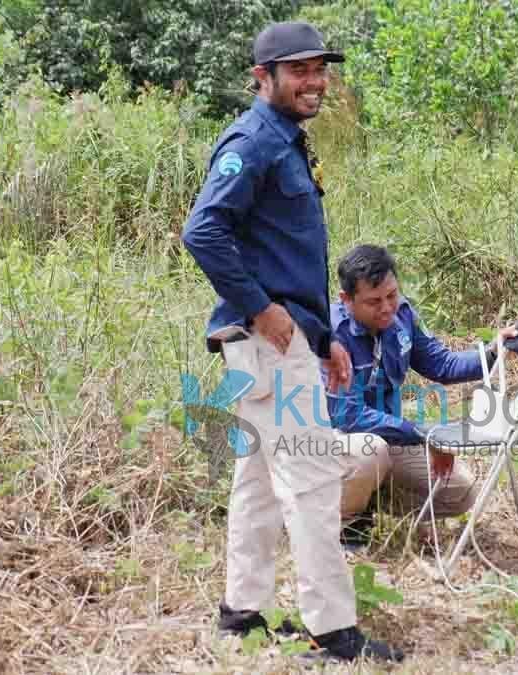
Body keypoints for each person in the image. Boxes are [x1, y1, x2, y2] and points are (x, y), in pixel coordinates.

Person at [181, 22, 402, 663]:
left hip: (284, 343)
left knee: (255, 481)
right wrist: (264, 310)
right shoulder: (252, 142)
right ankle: (334, 634)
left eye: (319, 69)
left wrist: (324, 335)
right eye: (298, 70)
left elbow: (291, 253)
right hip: (267, 344)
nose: (314, 81)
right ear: (263, 78)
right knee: (310, 483)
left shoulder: (288, 142)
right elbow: (204, 231)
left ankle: (241, 615)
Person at [325, 245, 518, 547]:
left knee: (459, 489)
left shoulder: (401, 316)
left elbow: (441, 363)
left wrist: (491, 353)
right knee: (369, 452)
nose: (387, 307)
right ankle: (339, 524)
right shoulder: (332, 335)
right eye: (373, 302)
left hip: (386, 439)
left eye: (391, 295)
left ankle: (368, 504)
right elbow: (349, 417)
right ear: (346, 300)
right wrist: (424, 436)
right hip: (330, 441)